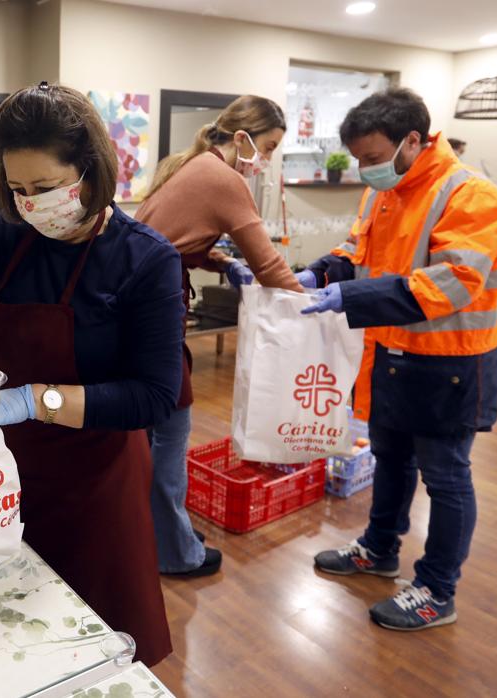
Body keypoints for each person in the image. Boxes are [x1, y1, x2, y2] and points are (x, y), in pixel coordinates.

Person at [0, 83, 181, 666]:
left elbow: (153, 396)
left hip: (96, 480)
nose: (30, 204)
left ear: (89, 171)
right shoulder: (10, 234)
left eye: (44, 188)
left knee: (92, 638)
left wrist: (34, 401)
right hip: (6, 468)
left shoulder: (147, 260)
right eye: (18, 189)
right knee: (13, 633)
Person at [301, 88, 497, 632]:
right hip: (390, 352)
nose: (365, 169)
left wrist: (351, 297)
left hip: (450, 362)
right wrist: (319, 273)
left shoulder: (470, 195)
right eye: (358, 159)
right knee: (390, 458)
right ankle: (379, 549)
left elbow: (453, 282)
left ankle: (438, 589)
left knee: (446, 477)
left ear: (412, 140)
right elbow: (356, 253)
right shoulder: (384, 193)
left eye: (372, 157)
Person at [135, 95, 307, 578]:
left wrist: (223, 262)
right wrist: (312, 307)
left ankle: (159, 531)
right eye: (267, 148)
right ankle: (175, 553)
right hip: (152, 318)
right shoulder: (223, 178)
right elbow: (268, 263)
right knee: (172, 431)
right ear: (242, 138)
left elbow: (175, 236)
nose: (266, 160)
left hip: (133, 314)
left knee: (149, 431)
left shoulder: (190, 167)